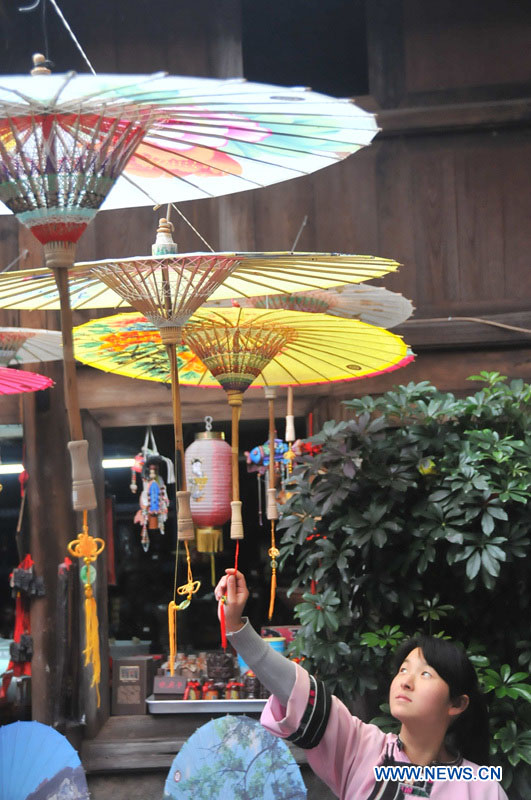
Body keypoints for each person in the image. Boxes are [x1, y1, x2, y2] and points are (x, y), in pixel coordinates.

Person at [215, 569, 508, 800]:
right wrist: (238, 629)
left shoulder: (481, 787)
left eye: (426, 674)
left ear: (457, 704)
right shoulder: (362, 749)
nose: (406, 681)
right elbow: (299, 693)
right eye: (404, 669)